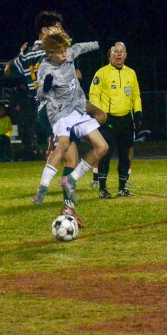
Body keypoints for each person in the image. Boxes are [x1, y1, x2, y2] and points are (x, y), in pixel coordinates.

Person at [7, 11, 106, 224]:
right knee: (71, 155)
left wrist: (16, 61)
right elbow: (42, 83)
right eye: (56, 28)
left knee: (100, 116)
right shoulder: (43, 51)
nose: (61, 31)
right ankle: (68, 207)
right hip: (51, 106)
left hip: (70, 103)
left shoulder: (39, 51)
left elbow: (7, 70)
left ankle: (66, 139)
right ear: (44, 32)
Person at [34, 31, 109, 209]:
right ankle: (42, 189)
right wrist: (45, 86)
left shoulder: (69, 54)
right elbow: (40, 95)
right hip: (59, 113)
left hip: (77, 108)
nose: (65, 55)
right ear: (50, 54)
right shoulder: (45, 68)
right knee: (64, 145)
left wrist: (100, 42)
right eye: (60, 53)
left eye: (65, 51)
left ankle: (71, 179)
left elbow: (81, 47)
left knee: (102, 147)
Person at [88, 41, 143, 198]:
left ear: (125, 55)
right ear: (109, 55)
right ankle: (103, 188)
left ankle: (122, 187)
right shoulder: (102, 73)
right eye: (115, 51)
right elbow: (93, 95)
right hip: (108, 120)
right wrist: (100, 114)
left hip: (125, 120)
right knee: (105, 153)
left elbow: (136, 95)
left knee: (125, 155)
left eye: (122, 51)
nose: (119, 54)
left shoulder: (131, 73)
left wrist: (138, 112)